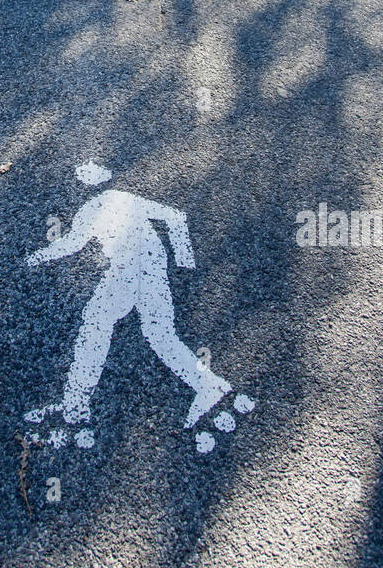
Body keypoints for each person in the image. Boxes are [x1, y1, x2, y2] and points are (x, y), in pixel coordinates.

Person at [25, 162, 231, 427]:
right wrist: (41, 255)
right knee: (158, 332)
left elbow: (175, 216)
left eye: (90, 169)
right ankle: (208, 386)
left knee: (97, 321)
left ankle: (75, 405)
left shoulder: (114, 198)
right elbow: (73, 243)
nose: (84, 172)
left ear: (101, 175)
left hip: (131, 265)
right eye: (82, 170)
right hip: (147, 266)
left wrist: (185, 261)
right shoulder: (91, 209)